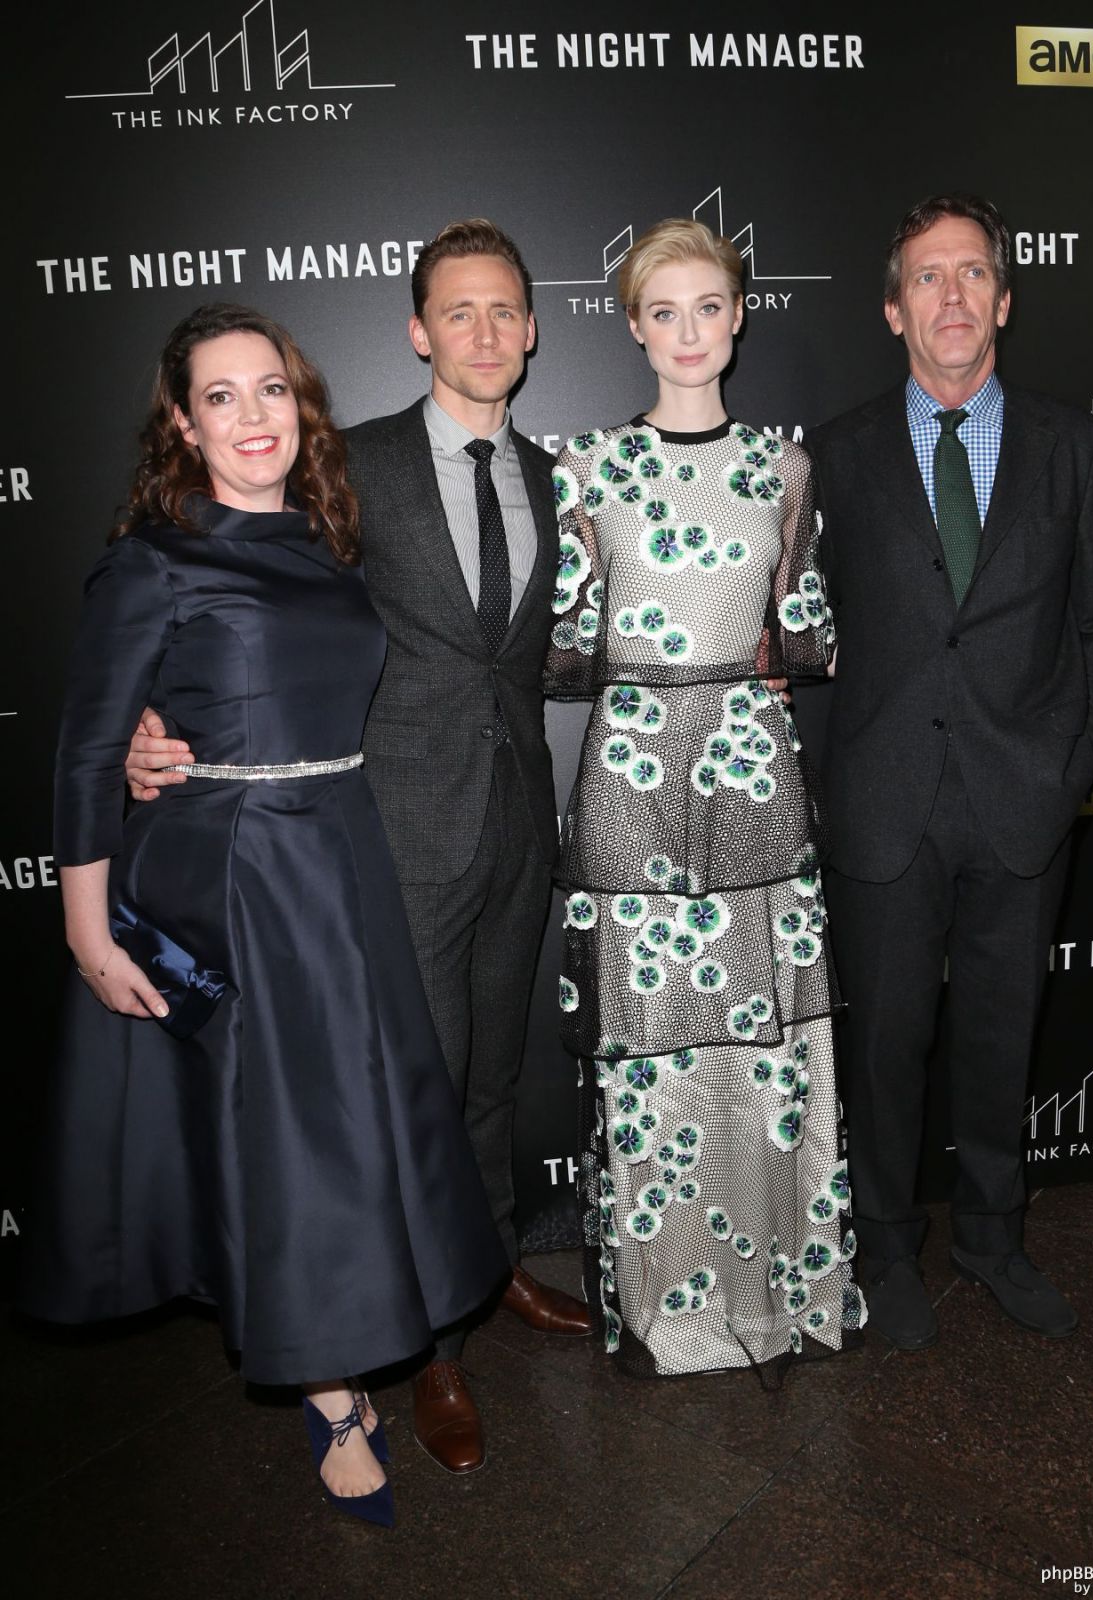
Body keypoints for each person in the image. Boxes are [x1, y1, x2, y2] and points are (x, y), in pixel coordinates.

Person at [18, 304, 510, 1526]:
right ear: (182, 427)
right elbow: (87, 751)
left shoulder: (325, 541)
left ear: (302, 407)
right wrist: (87, 933)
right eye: (221, 396)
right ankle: (330, 1390)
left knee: (357, 1124)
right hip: (231, 875)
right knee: (286, 1139)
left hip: (339, 853)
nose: (253, 416)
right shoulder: (153, 558)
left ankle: (357, 1331)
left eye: (272, 390)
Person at [124, 222, 591, 1475]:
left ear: (532, 328)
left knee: (491, 1077)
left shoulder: (550, 473)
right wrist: (148, 729)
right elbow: (237, 598)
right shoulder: (352, 465)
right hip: (391, 832)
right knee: (419, 1090)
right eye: (459, 311)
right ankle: (433, 1340)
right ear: (416, 330)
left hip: (517, 824)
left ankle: (490, 1265)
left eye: (505, 310)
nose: (485, 332)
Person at [806, 194, 1093, 1348]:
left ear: (1001, 298)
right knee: (882, 1046)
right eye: (925, 277)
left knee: (1002, 1038)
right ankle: (884, 1248)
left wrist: (1077, 759)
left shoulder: (1072, 447)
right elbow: (801, 628)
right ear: (891, 309)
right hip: (882, 802)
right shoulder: (833, 453)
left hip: (1021, 798)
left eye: (970, 274)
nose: (949, 295)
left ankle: (994, 1238)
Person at [543, 218, 862, 1377]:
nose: (688, 332)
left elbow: (804, 631)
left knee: (766, 1047)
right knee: (649, 1052)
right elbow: (562, 647)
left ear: (737, 316)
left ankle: (776, 1291)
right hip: (629, 779)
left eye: (708, 307)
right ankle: (663, 1307)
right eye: (663, 310)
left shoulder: (783, 468)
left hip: (751, 777)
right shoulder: (583, 467)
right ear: (632, 325)